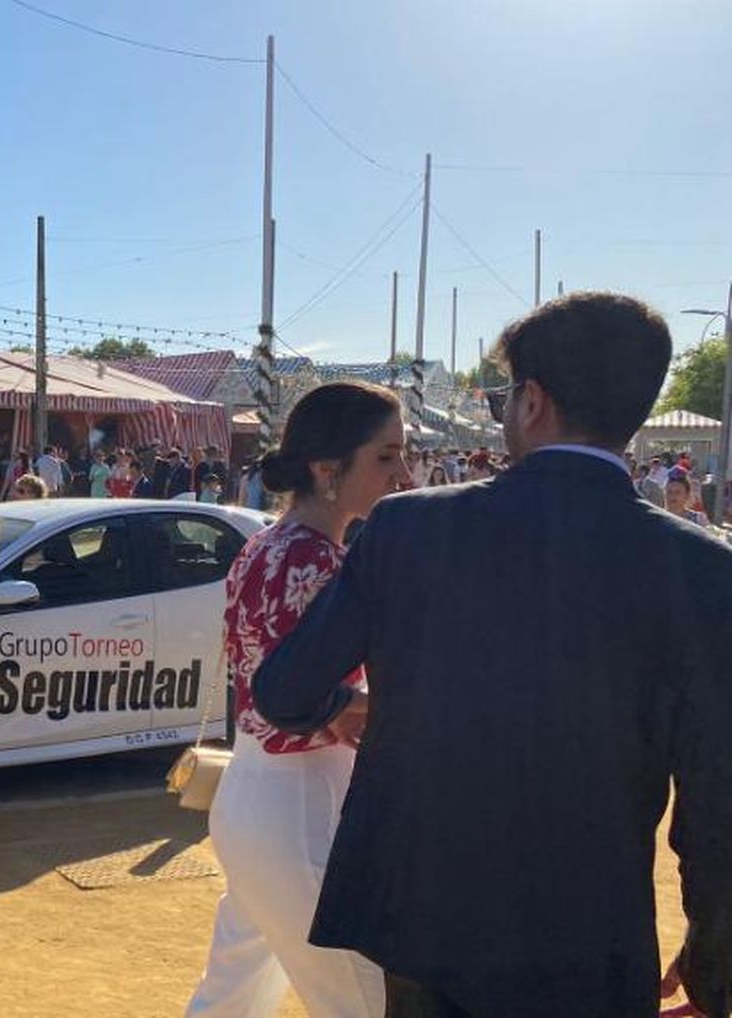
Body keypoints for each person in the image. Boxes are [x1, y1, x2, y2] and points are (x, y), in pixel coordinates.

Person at [251, 292, 732, 1018]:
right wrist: (713, 959)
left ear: (533, 401)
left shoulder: (407, 529)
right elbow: (717, 794)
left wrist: (358, 709)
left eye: (506, 395)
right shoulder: (701, 567)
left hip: (424, 928)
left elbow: (285, 691)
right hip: (590, 944)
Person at [185, 383, 406, 1018]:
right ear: (328, 470)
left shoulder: (269, 545)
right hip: (301, 803)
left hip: (260, 794)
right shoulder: (316, 562)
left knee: (232, 994)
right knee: (365, 1001)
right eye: (386, 457)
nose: (403, 474)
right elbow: (312, 703)